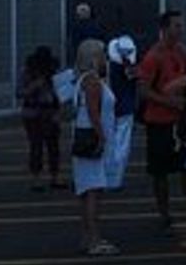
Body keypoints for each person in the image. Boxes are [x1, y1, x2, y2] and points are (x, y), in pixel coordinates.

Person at [136, 11, 186, 233]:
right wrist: (169, 102)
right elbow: (143, 91)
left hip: (180, 123)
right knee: (160, 171)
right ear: (165, 29)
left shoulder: (182, 52)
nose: (180, 30)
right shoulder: (153, 56)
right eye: (176, 26)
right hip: (159, 122)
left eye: (181, 25)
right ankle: (164, 213)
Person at [71, 40, 118, 256]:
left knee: (86, 190)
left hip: (82, 140)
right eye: (102, 55)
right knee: (94, 191)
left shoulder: (81, 79)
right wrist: (102, 137)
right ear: (94, 58)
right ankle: (94, 240)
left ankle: (86, 236)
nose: (105, 59)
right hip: (91, 141)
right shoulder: (92, 82)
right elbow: (93, 112)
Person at [18, 46, 63, 192]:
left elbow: (59, 94)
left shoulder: (53, 72)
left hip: (50, 112)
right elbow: (19, 92)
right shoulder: (27, 72)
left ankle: (55, 176)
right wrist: (35, 85)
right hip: (33, 113)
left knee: (53, 147)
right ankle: (36, 178)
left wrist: (57, 112)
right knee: (36, 146)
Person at [103, 37, 138, 192]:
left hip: (110, 110)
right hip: (125, 110)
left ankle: (107, 178)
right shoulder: (130, 68)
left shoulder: (106, 67)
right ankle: (116, 180)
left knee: (109, 146)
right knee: (122, 146)